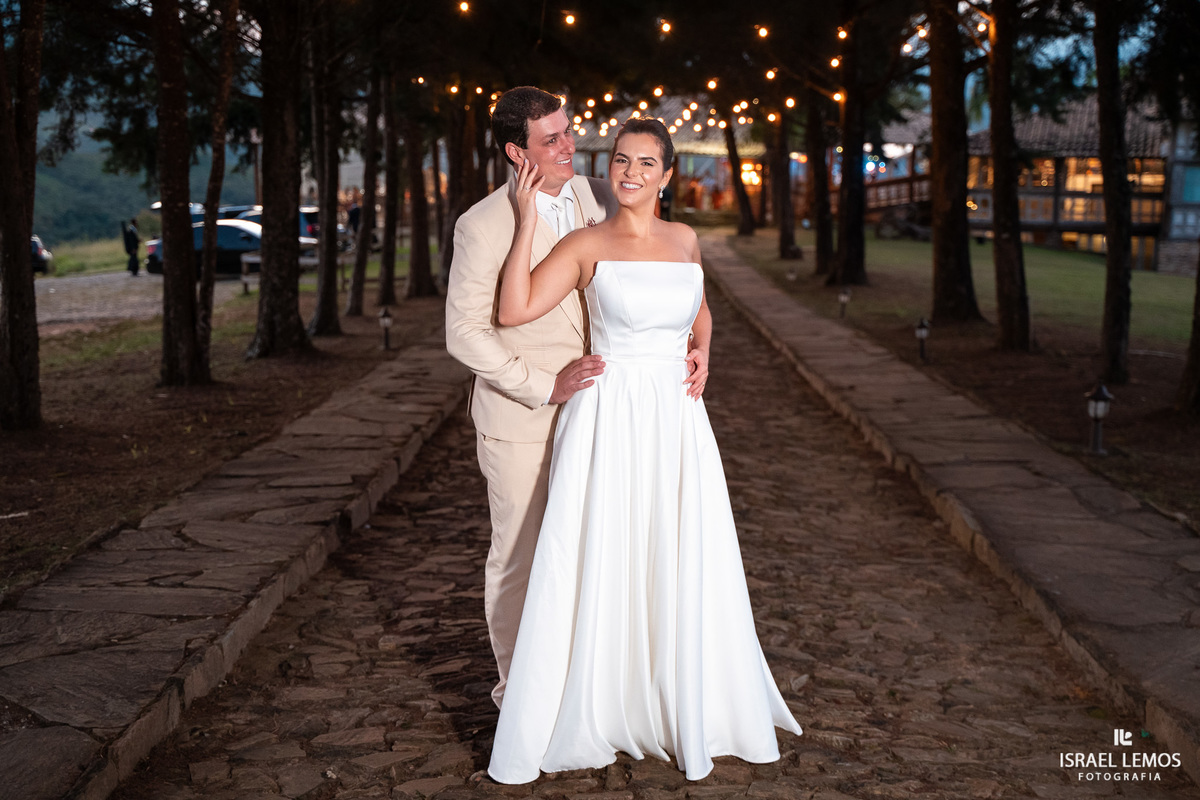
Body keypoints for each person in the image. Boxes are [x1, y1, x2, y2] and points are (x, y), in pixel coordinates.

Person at [488, 118, 802, 784]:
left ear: (666, 175)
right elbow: (512, 310)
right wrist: (523, 220)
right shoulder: (585, 243)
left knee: (676, 545)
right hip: (608, 414)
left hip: (676, 417)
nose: (628, 173)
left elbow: (700, 311)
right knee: (605, 547)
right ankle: (601, 698)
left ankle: (675, 693)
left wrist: (704, 355)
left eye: (644, 163)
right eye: (620, 161)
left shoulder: (684, 239)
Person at [445, 86, 618, 710]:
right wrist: (545, 386)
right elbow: (463, 333)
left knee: (585, 550)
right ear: (518, 152)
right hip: (522, 418)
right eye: (552, 140)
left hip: (600, 412)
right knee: (519, 557)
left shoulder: (594, 197)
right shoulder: (482, 224)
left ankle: (579, 687)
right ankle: (518, 698)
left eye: (569, 131)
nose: (570, 145)